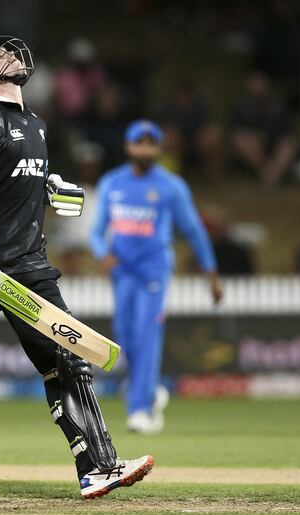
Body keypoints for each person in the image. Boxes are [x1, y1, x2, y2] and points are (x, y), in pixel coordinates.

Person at [0, 36, 153, 503]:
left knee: (67, 357)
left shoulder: (35, 123)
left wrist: (47, 187)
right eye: (0, 54)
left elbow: (9, 182)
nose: (14, 55)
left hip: (30, 266)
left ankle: (98, 468)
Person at [91, 120, 223, 434]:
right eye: (140, 143)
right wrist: (102, 253)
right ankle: (150, 391)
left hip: (154, 270)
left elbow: (194, 231)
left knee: (147, 333)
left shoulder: (171, 186)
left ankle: (140, 409)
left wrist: (212, 273)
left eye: (151, 144)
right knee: (124, 334)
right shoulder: (112, 183)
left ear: (159, 148)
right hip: (122, 271)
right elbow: (97, 232)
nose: (145, 149)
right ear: (128, 146)